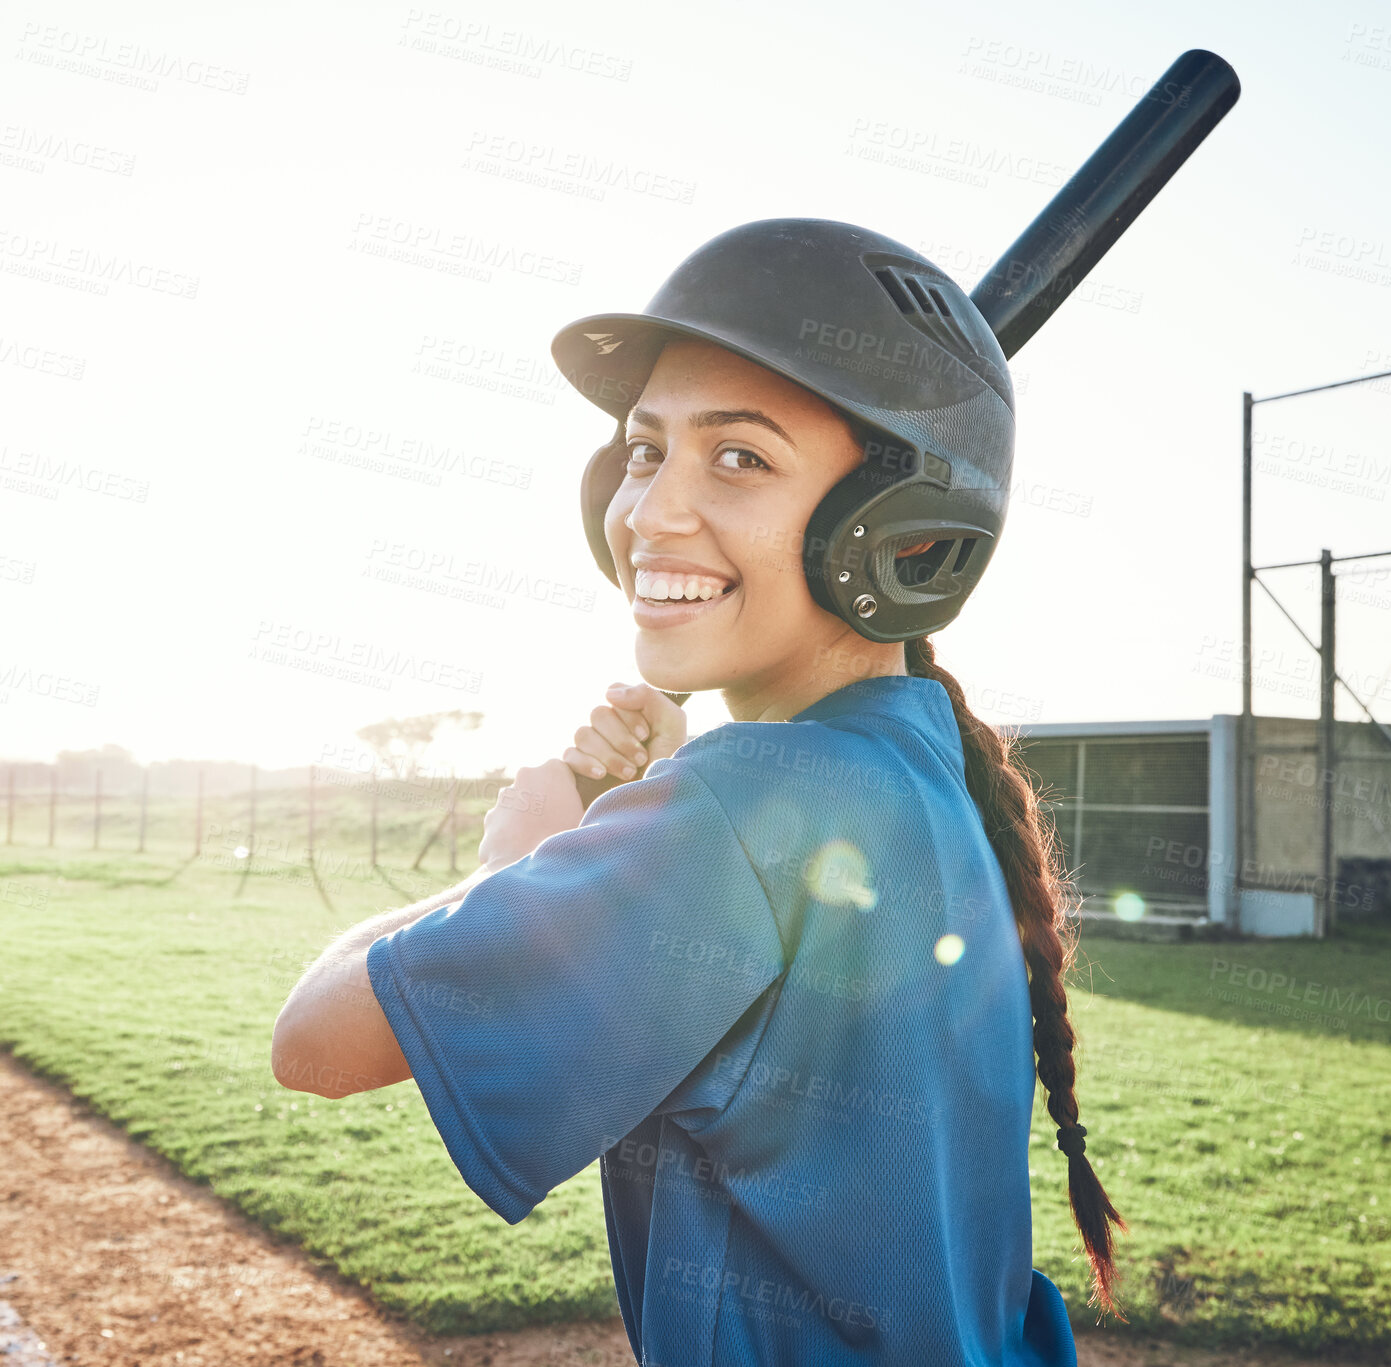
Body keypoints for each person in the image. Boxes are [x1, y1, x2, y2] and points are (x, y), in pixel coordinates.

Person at [272, 217, 1126, 1366]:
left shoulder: (738, 807)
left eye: (740, 457)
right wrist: (630, 809)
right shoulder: (922, 763)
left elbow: (318, 1046)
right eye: (642, 449)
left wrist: (509, 866)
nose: (650, 513)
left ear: (909, 540)